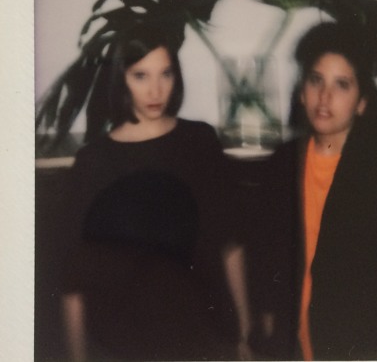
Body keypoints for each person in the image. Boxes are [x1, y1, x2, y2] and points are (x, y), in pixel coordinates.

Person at [254, 21, 377, 360]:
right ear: (302, 92)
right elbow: (266, 260)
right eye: (316, 80)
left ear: (361, 102)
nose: (325, 97)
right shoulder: (282, 163)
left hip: (360, 347)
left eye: (342, 84)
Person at [60, 23, 252, 361]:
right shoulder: (94, 160)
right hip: (124, 343)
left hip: (201, 335)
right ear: (121, 79)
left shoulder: (200, 141)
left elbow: (230, 244)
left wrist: (244, 332)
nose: (156, 90)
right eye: (141, 76)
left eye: (165, 74)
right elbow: (74, 281)